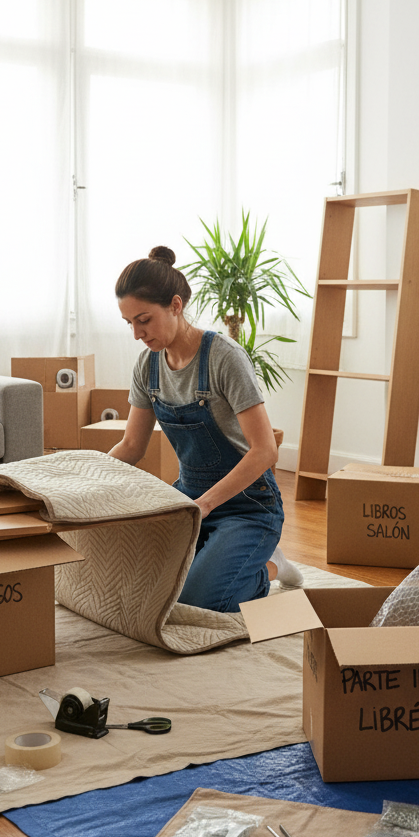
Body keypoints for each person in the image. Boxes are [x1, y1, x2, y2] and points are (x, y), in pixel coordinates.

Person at [107, 245, 303, 612]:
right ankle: (224, 559)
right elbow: (131, 445)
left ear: (176, 305)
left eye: (144, 320)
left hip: (246, 505)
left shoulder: (224, 357)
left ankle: (270, 567)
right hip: (189, 501)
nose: (136, 333)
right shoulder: (147, 366)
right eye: (129, 322)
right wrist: (87, 479)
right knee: (143, 589)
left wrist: (207, 504)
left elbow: (266, 450)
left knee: (197, 603)